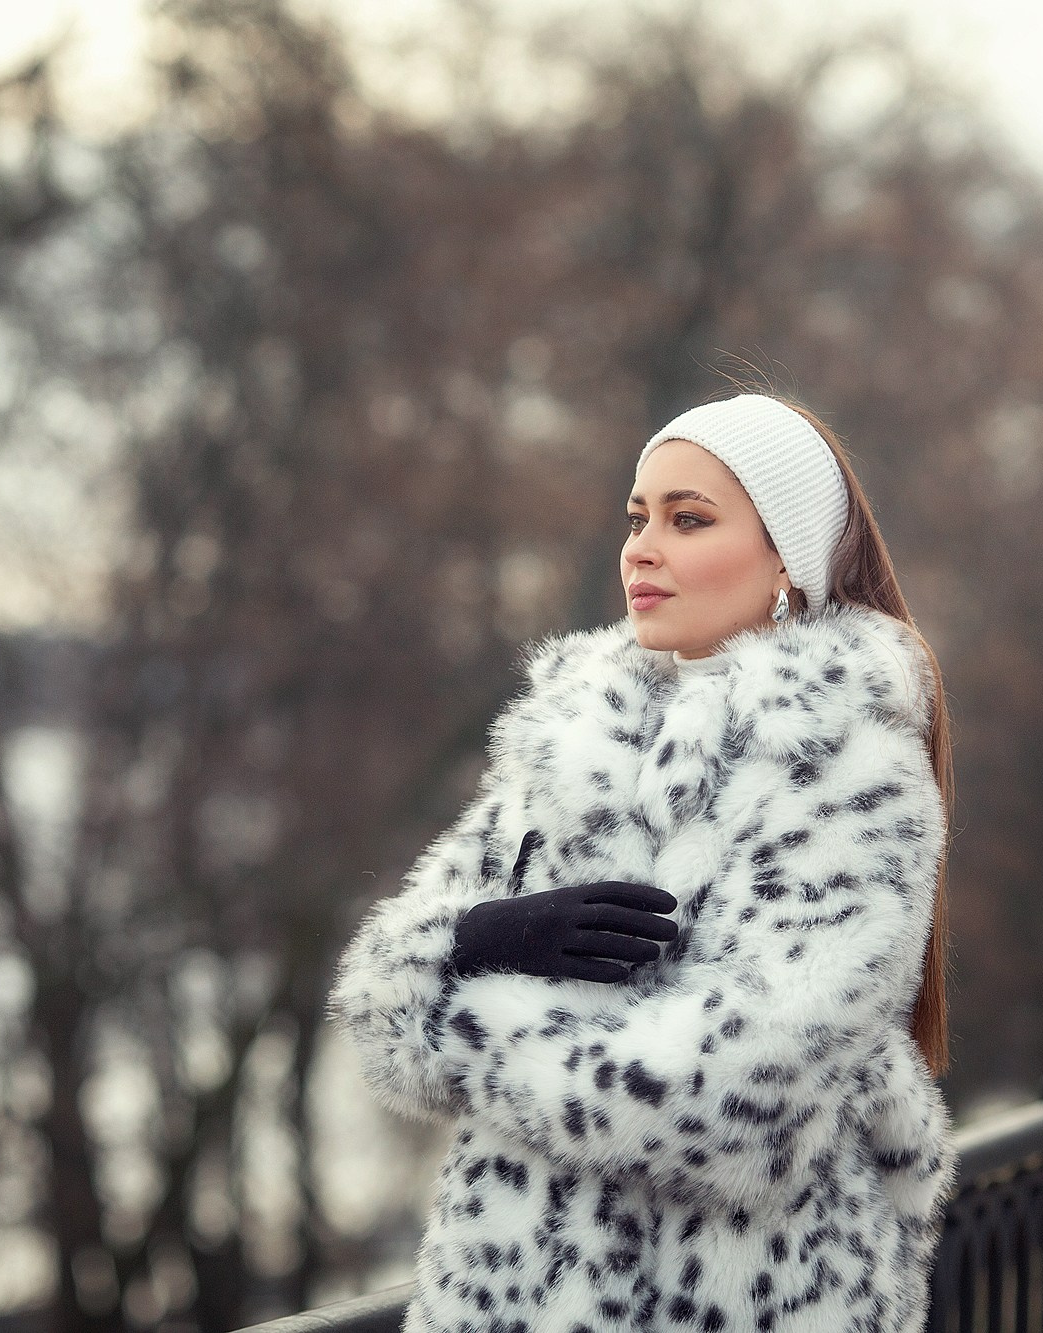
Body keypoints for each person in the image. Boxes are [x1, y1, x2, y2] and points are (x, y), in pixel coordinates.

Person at [326, 390, 958, 1332]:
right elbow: (383, 1009)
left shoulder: (849, 767)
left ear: (787, 554)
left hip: (742, 1301)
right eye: (637, 517)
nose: (642, 547)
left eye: (688, 518)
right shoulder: (571, 737)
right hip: (504, 1300)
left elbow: (740, 1099)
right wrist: (473, 933)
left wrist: (477, 1017)